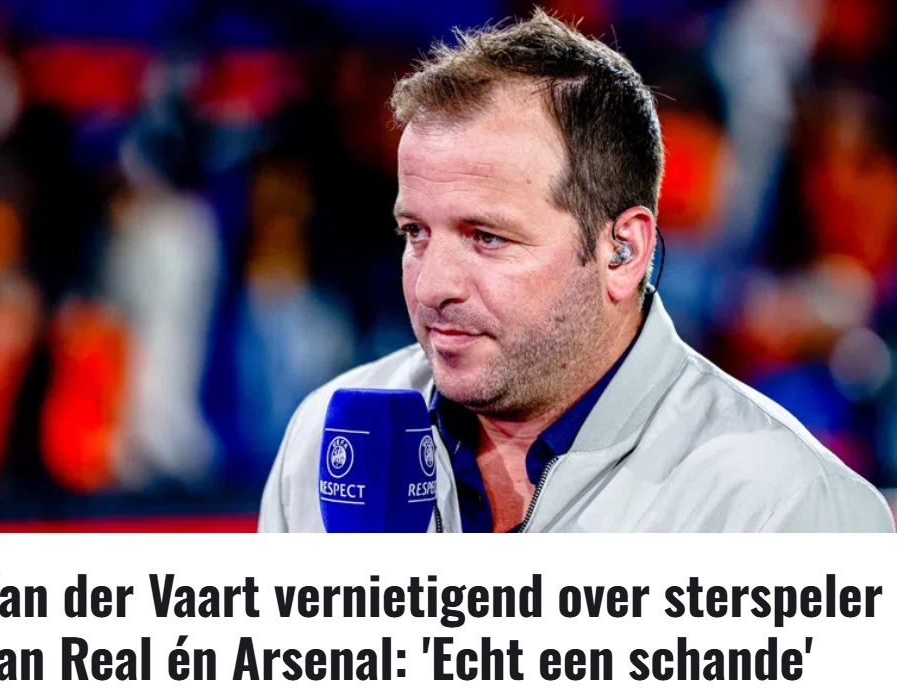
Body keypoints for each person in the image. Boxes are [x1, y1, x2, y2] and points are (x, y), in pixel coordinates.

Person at [258, 10, 894, 532]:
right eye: (415, 233)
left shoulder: (785, 506)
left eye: (487, 238)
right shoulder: (326, 442)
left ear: (623, 251)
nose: (432, 287)